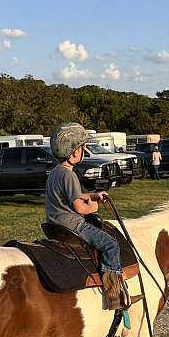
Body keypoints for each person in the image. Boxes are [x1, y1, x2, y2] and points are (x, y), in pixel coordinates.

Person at [46, 122, 123, 310]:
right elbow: (79, 207)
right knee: (111, 244)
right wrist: (94, 205)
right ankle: (114, 294)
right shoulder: (69, 175)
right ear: (74, 153)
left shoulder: (56, 172)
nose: (83, 151)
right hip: (72, 225)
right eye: (82, 148)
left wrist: (94, 194)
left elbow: (76, 196)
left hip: (54, 223)